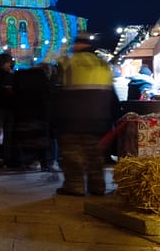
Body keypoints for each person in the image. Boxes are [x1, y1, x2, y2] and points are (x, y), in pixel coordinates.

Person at [51, 35, 120, 197]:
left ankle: (75, 186)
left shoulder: (66, 63)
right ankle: (97, 187)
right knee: (95, 156)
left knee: (72, 156)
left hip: (71, 119)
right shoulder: (103, 65)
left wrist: (53, 119)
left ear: (76, 45)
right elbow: (112, 95)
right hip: (98, 120)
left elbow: (56, 93)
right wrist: (112, 119)